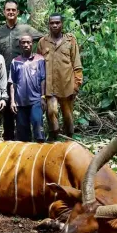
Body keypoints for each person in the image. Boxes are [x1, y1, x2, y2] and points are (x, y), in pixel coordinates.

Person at [0, 0, 43, 141]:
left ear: (17, 12)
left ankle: (27, 142)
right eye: (8, 10)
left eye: (13, 10)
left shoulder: (25, 29)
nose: (11, 12)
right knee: (7, 110)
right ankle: (9, 142)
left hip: (23, 79)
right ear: (4, 12)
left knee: (22, 110)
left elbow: (44, 38)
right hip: (4, 79)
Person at [37, 13, 83, 141]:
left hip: (67, 86)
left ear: (62, 24)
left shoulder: (70, 40)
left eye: (57, 23)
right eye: (52, 23)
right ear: (49, 25)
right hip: (49, 88)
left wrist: (76, 85)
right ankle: (54, 139)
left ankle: (69, 140)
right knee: (51, 112)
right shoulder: (43, 42)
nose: (55, 25)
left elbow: (77, 64)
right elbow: (38, 66)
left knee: (68, 117)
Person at [8, 34, 46, 142]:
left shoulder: (40, 59)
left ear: (32, 44)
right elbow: (12, 82)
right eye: (23, 42)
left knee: (38, 128)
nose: (26, 45)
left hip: (36, 101)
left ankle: (41, 156)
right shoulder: (15, 61)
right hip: (20, 102)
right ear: (19, 45)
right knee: (23, 134)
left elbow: (43, 79)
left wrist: (43, 97)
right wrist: (12, 101)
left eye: (28, 42)